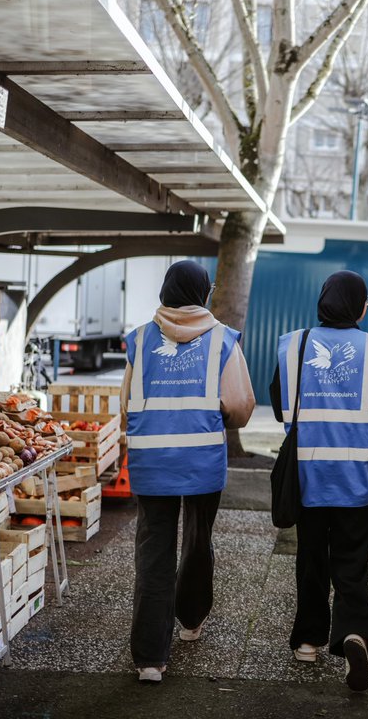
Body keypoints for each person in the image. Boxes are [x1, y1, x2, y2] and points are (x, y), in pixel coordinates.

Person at [270, 271, 368, 692]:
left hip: (309, 475)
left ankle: (309, 641)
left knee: (311, 558)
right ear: (358, 306)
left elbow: (280, 408)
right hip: (360, 478)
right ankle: (355, 633)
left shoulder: (293, 345)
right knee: (351, 563)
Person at [120, 261, 255, 683]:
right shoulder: (221, 341)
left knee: (153, 553)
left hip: (151, 463)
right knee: (198, 542)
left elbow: (126, 403)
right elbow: (240, 405)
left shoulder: (140, 340)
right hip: (201, 462)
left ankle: (149, 660)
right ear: (203, 293)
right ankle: (191, 619)